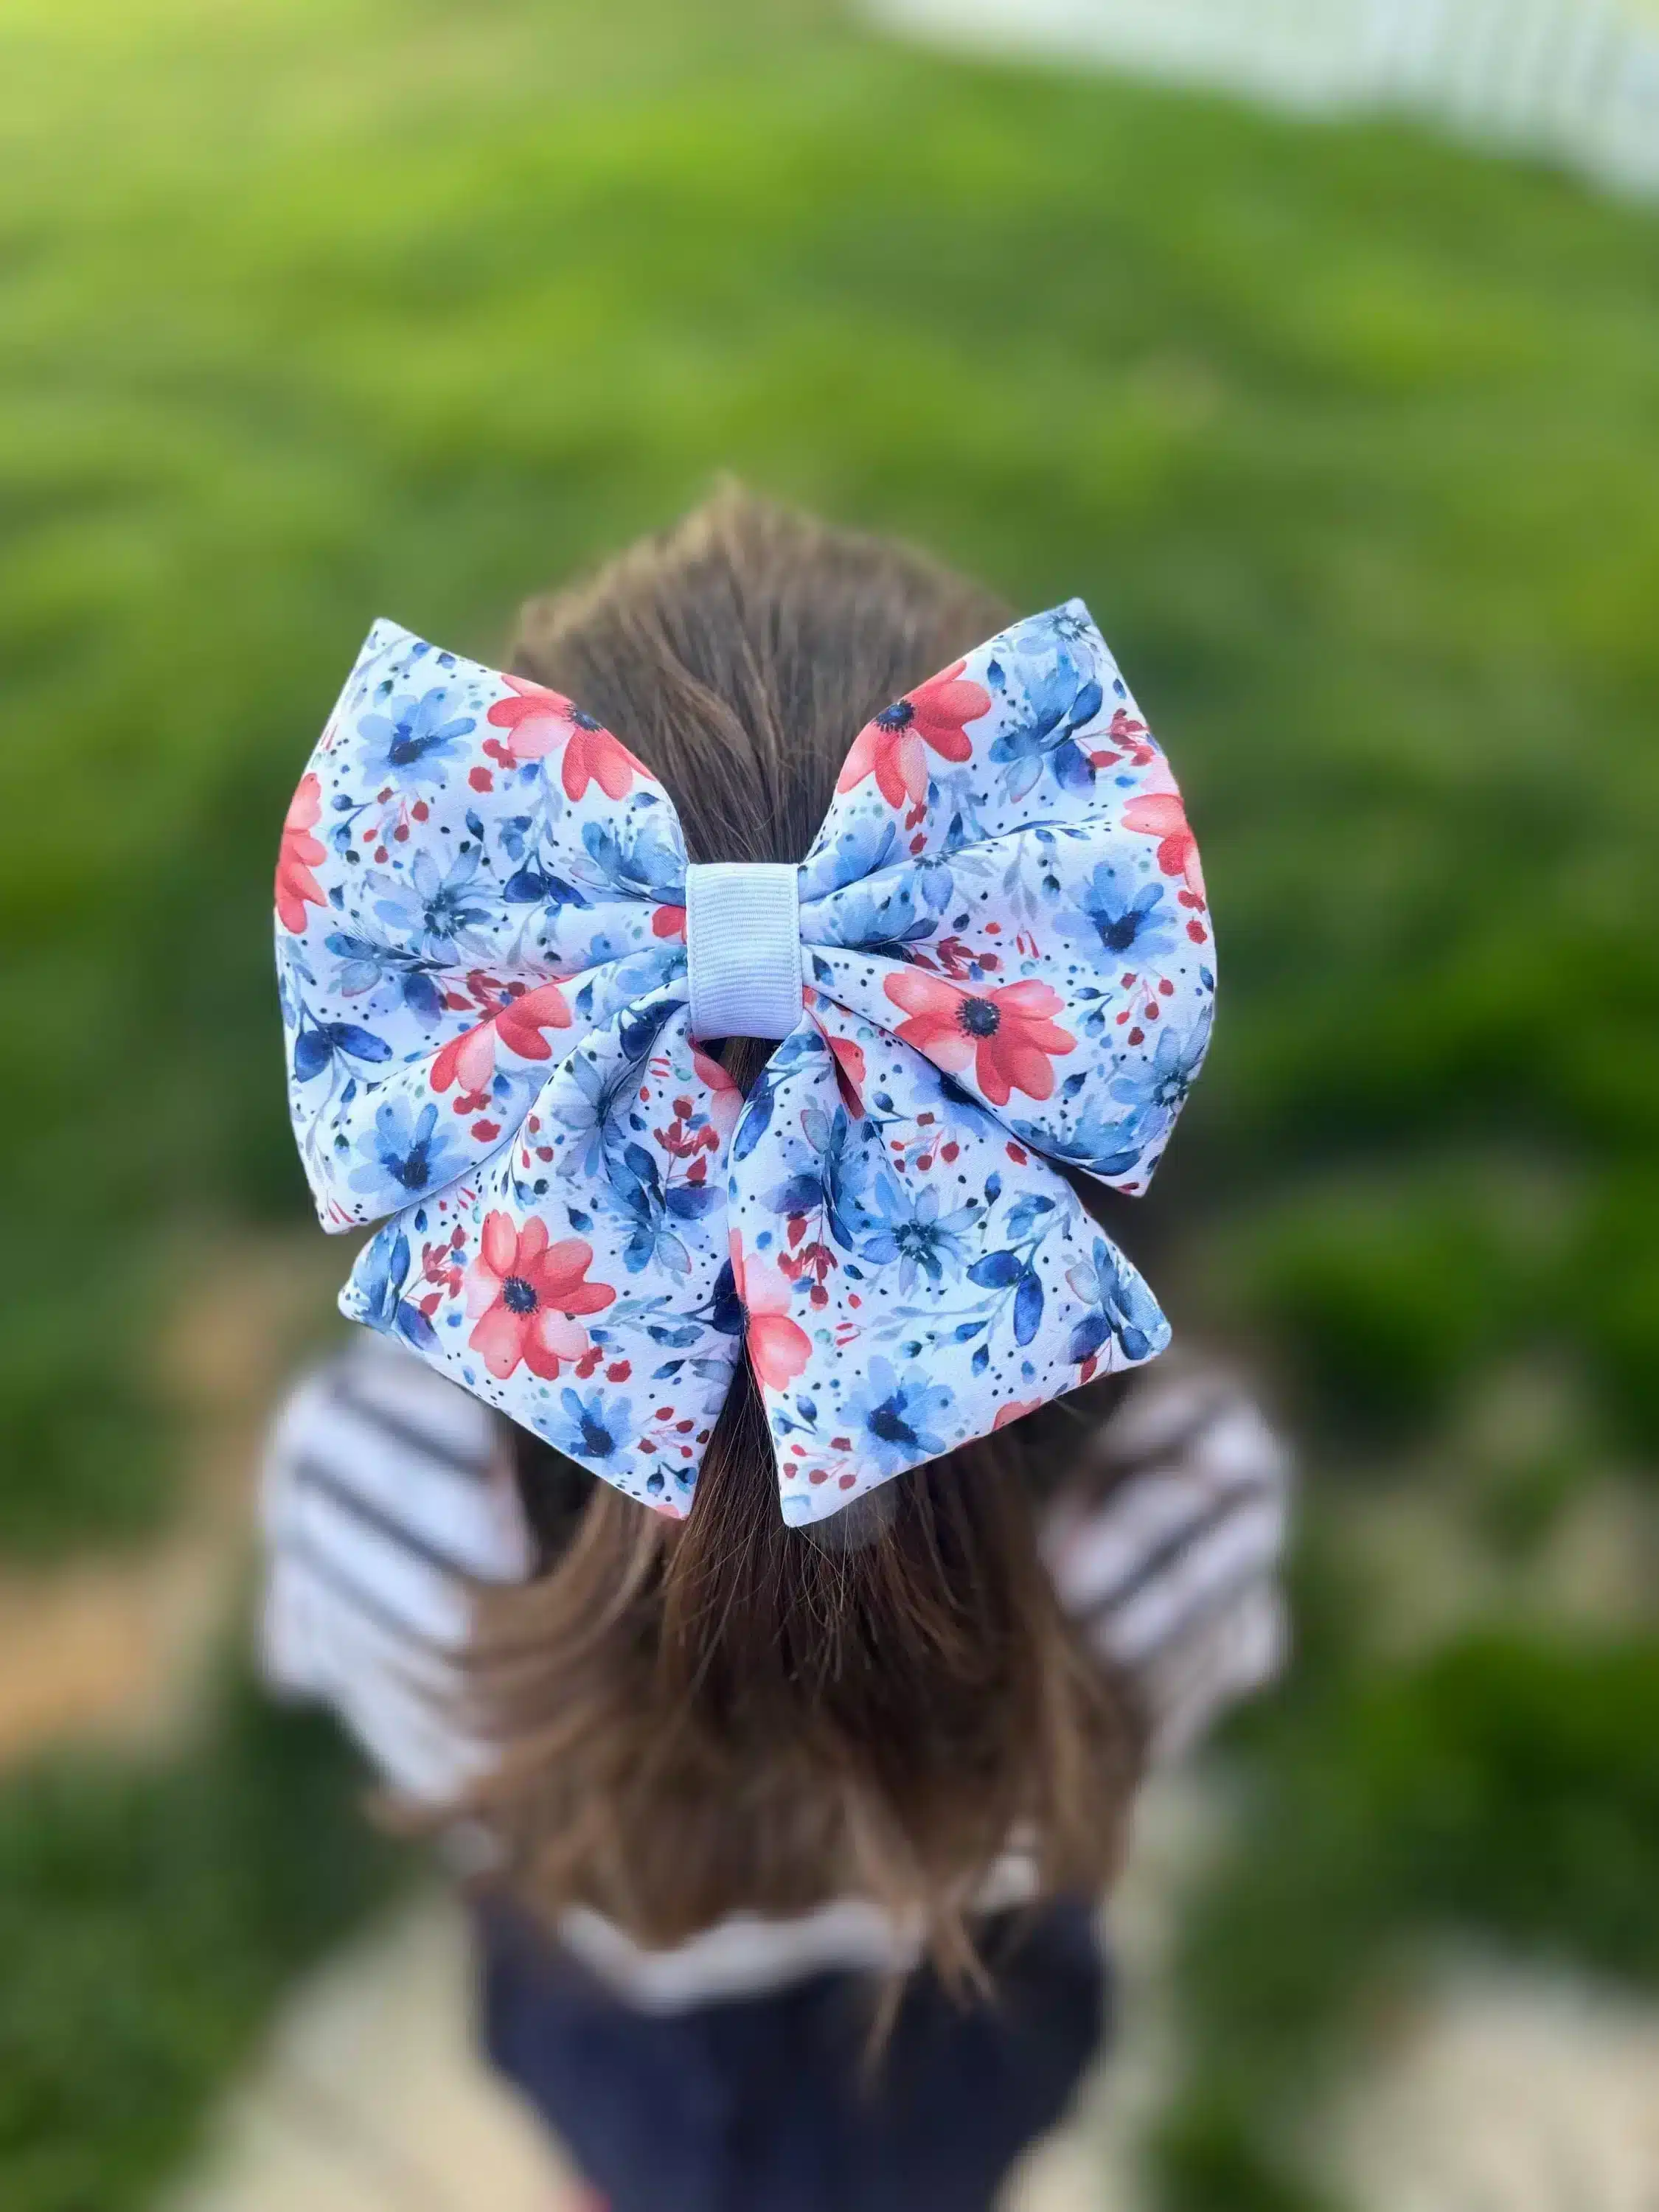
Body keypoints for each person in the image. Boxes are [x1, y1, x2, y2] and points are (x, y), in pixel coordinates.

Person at [265, 490, 1290, 2211]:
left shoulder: (364, 1490)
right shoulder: (1197, 1501)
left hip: (609, 2042)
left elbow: (386, 1724)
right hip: (971, 2039)